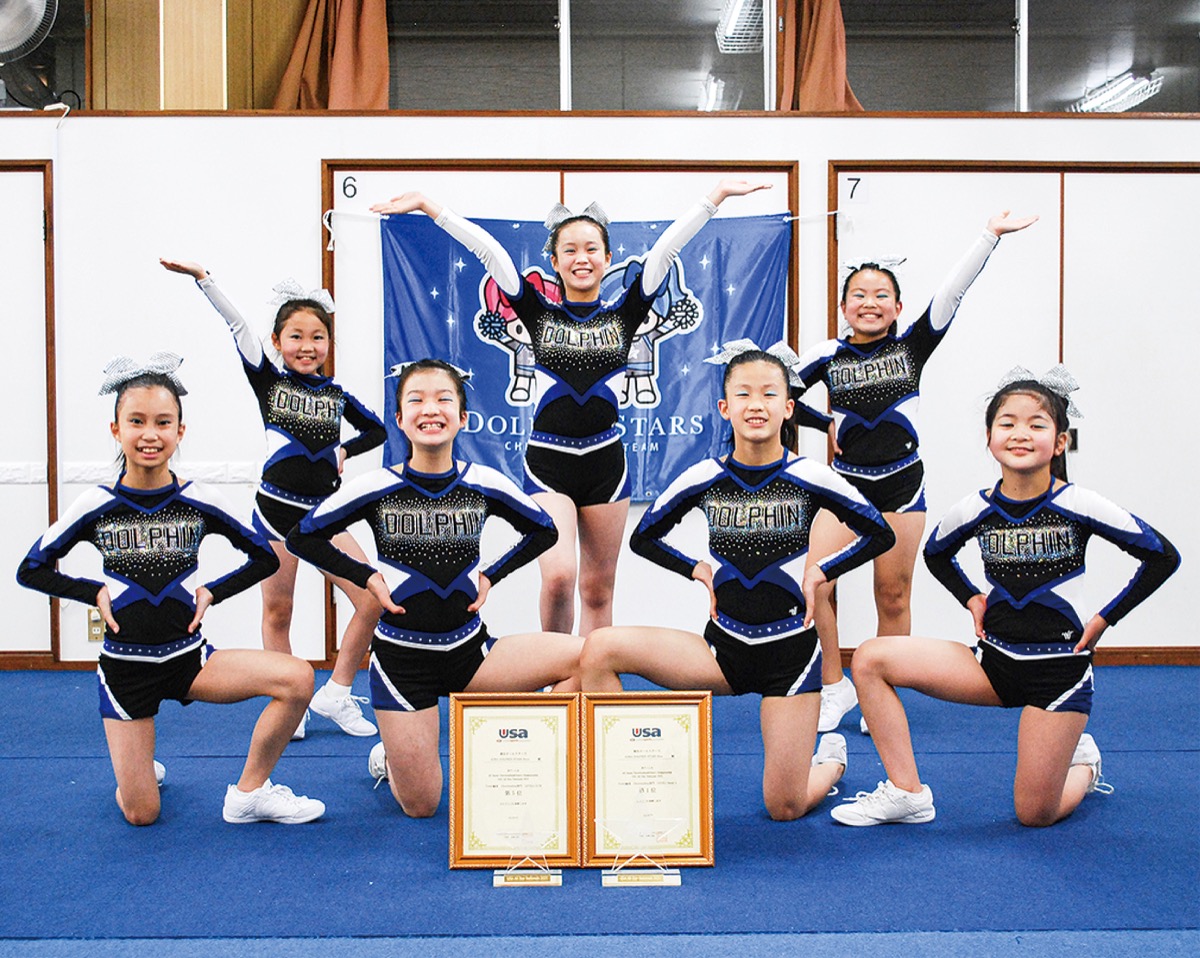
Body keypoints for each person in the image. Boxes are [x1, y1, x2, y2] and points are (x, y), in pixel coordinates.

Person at [368, 179, 771, 640]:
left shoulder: (625, 313)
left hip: (606, 466)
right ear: (555, 262)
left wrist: (714, 197)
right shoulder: (537, 312)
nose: (582, 258)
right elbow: (489, 253)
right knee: (559, 578)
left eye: (592, 248)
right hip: (549, 464)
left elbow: (665, 250)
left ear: (607, 258)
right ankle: (557, 673)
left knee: (598, 590)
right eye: (570, 250)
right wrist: (429, 206)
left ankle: (591, 675)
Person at [831, 368, 1180, 827]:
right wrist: (971, 598)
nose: (1020, 433)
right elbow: (937, 553)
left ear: (1060, 442)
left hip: (1057, 678)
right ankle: (906, 792)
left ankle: (1084, 763)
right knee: (870, 659)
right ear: (990, 437)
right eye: (1007, 423)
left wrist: (1103, 619)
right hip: (991, 666)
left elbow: (1162, 557)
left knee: (1035, 814)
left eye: (1037, 424)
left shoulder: (1080, 504)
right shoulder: (976, 507)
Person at [580, 345, 896, 821]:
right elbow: (644, 537)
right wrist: (694, 568)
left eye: (769, 394)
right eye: (743, 394)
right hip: (720, 652)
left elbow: (880, 532)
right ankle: (628, 776)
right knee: (600, 650)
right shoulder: (706, 476)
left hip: (789, 659)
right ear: (725, 408)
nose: (756, 404)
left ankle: (830, 761)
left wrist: (823, 570)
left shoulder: (809, 476)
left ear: (788, 407)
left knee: (784, 807)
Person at [16, 355, 325, 826]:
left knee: (298, 678)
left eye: (163, 422)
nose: (150, 434)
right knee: (142, 814)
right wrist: (92, 591)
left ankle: (250, 793)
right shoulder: (97, 502)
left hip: (191, 661)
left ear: (180, 432)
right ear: (116, 429)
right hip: (127, 672)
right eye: (136, 421)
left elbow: (263, 557)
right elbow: (31, 569)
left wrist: (212, 592)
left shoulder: (198, 498)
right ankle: (137, 772)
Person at [286, 359, 583, 817]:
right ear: (400, 419)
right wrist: (366, 577)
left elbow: (544, 530)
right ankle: (392, 755)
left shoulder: (483, 482)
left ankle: (527, 759)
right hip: (403, 665)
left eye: (444, 399)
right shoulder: (377, 486)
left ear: (462, 418)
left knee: (587, 655)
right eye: (416, 400)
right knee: (422, 805)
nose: (431, 409)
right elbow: (302, 536)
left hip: (473, 654)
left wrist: (492, 575)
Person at [792, 211, 1040, 735]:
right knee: (816, 584)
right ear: (844, 307)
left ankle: (882, 688)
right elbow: (779, 395)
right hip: (846, 486)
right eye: (859, 295)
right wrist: (825, 422)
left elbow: (952, 293)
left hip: (901, 487)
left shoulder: (911, 347)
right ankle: (835, 686)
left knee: (893, 595)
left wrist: (988, 235)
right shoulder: (827, 354)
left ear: (898, 307)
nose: (870, 302)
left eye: (881, 294)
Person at [160, 260, 386, 740]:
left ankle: (337, 691)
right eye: (296, 336)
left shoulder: (336, 394)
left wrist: (344, 450)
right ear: (278, 342)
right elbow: (238, 326)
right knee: (279, 611)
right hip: (276, 514)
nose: (307, 346)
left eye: (318, 337)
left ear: (329, 344)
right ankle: (292, 700)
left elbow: (378, 430)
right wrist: (205, 279)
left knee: (371, 598)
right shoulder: (270, 383)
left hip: (323, 518)